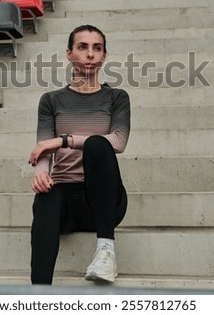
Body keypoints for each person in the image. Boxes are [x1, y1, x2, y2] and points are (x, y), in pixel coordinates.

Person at [29, 24, 131, 285]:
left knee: (98, 144)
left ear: (104, 56)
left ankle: (106, 251)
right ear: (69, 53)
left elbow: (118, 142)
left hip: (103, 203)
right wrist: (41, 174)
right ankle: (39, 294)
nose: (90, 54)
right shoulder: (51, 100)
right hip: (64, 201)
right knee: (46, 194)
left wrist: (66, 140)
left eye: (97, 48)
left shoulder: (117, 97)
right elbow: (43, 148)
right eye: (82, 47)